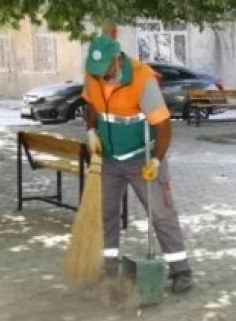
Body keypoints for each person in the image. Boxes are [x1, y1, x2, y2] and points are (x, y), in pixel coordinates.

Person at [82, 36, 194, 294]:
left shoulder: (143, 80)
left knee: (161, 213)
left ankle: (181, 271)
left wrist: (156, 159)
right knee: (105, 215)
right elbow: (90, 105)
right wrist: (91, 130)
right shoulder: (93, 74)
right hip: (109, 157)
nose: (101, 77)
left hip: (141, 157)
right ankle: (109, 267)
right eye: (95, 73)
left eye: (105, 71)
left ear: (117, 59)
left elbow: (163, 126)